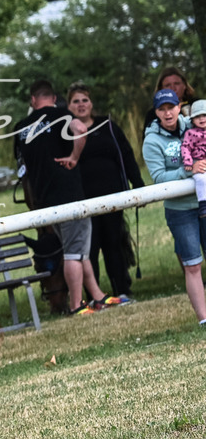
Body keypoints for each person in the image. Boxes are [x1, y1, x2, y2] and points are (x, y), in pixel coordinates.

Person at [14, 80, 128, 315]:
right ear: (54, 99)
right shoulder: (62, 115)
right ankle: (77, 305)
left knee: (77, 248)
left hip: (44, 202)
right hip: (70, 196)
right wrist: (75, 157)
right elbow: (81, 130)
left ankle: (97, 296)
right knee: (74, 253)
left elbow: (21, 166)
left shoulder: (22, 127)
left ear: (33, 100)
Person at [67, 82, 144, 299]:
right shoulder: (65, 131)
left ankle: (122, 289)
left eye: (85, 100)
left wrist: (137, 184)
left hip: (113, 197)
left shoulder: (108, 126)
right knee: (89, 249)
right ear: (69, 105)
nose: (81, 105)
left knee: (114, 243)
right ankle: (94, 296)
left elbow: (127, 155)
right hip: (83, 201)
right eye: (76, 101)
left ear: (91, 103)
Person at [144, 88, 206, 326]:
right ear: (156, 112)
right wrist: (187, 170)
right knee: (193, 264)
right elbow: (158, 178)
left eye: (171, 107)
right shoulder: (151, 141)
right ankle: (203, 319)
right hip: (180, 211)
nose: (168, 113)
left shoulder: (196, 124)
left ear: (180, 107)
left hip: (204, 200)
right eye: (162, 109)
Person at [142, 67, 196, 137]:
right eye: (167, 85)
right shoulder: (153, 114)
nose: (173, 88)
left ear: (184, 85)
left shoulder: (197, 105)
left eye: (177, 83)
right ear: (161, 88)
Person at [181, 100, 206, 218]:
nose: (202, 119)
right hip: (198, 163)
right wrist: (188, 162)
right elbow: (185, 147)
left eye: (204, 115)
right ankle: (203, 205)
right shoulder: (191, 133)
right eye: (197, 116)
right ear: (192, 119)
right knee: (201, 180)